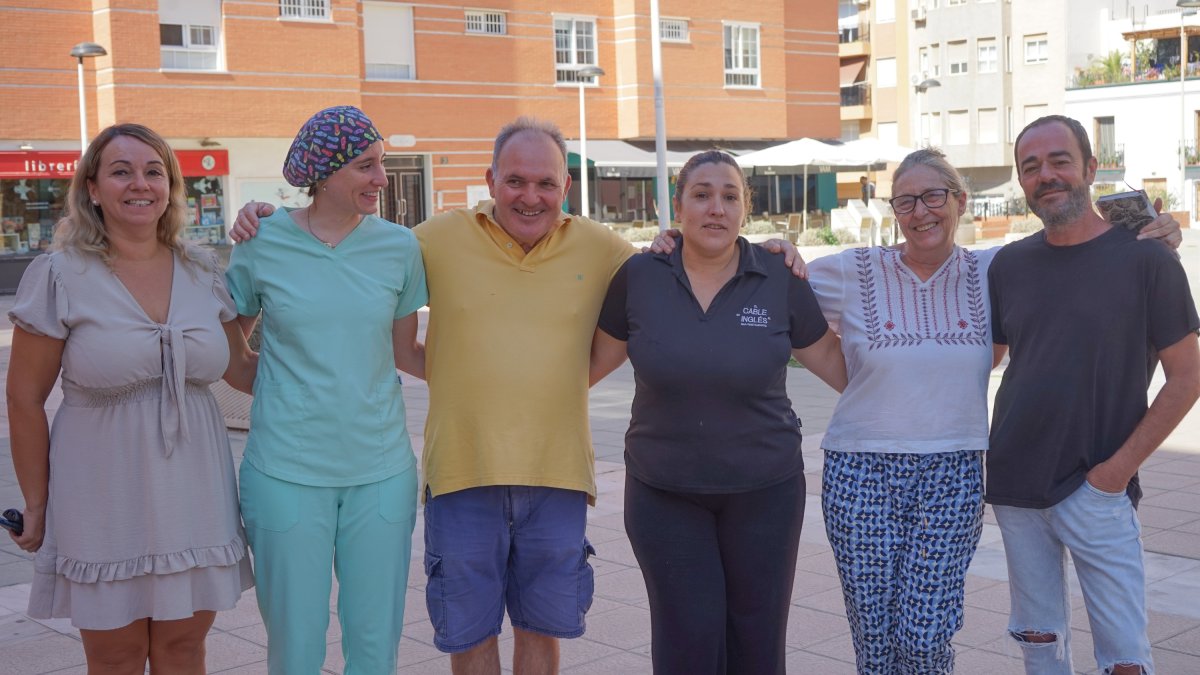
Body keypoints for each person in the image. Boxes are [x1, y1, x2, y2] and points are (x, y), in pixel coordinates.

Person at [226, 117, 803, 675]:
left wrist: (771, 250)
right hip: (460, 475)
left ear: (566, 187)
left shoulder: (603, 248)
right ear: (490, 181)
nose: (531, 196)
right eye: (516, 181)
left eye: (547, 183)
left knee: (541, 632)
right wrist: (267, 217)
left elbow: (675, 275)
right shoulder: (428, 240)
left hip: (556, 478)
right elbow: (358, 273)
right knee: (468, 632)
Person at [5, 123, 256, 672]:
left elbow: (242, 372)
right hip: (101, 493)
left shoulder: (202, 271)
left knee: (184, 648)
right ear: (92, 187)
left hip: (194, 490)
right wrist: (38, 506)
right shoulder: (59, 274)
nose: (139, 184)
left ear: (170, 186)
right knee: (115, 654)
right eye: (121, 171)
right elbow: (24, 400)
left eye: (153, 171)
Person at [588, 150, 847, 674]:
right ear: (677, 206)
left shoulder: (778, 276)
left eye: (729, 196)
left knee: (757, 642)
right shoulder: (639, 276)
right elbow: (587, 368)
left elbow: (839, 368)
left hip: (766, 492)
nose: (715, 208)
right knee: (689, 641)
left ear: (745, 209)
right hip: (664, 492)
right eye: (701, 195)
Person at [986, 115, 1200, 675]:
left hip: (1098, 487)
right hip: (1016, 484)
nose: (1046, 175)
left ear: (1090, 167)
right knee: (1039, 644)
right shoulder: (1009, 264)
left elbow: (1187, 377)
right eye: (1030, 167)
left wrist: (1114, 473)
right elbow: (985, 360)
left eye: (1059, 160)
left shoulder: (1148, 259)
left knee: (1125, 659)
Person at [223, 105, 428, 674]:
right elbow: (229, 354)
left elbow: (407, 352)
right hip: (285, 473)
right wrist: (290, 390)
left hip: (381, 473)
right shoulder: (261, 241)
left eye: (382, 164)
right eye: (367, 166)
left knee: (374, 643)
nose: (381, 180)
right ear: (325, 171)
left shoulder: (399, 248)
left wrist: (497, 379)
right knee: (295, 645)